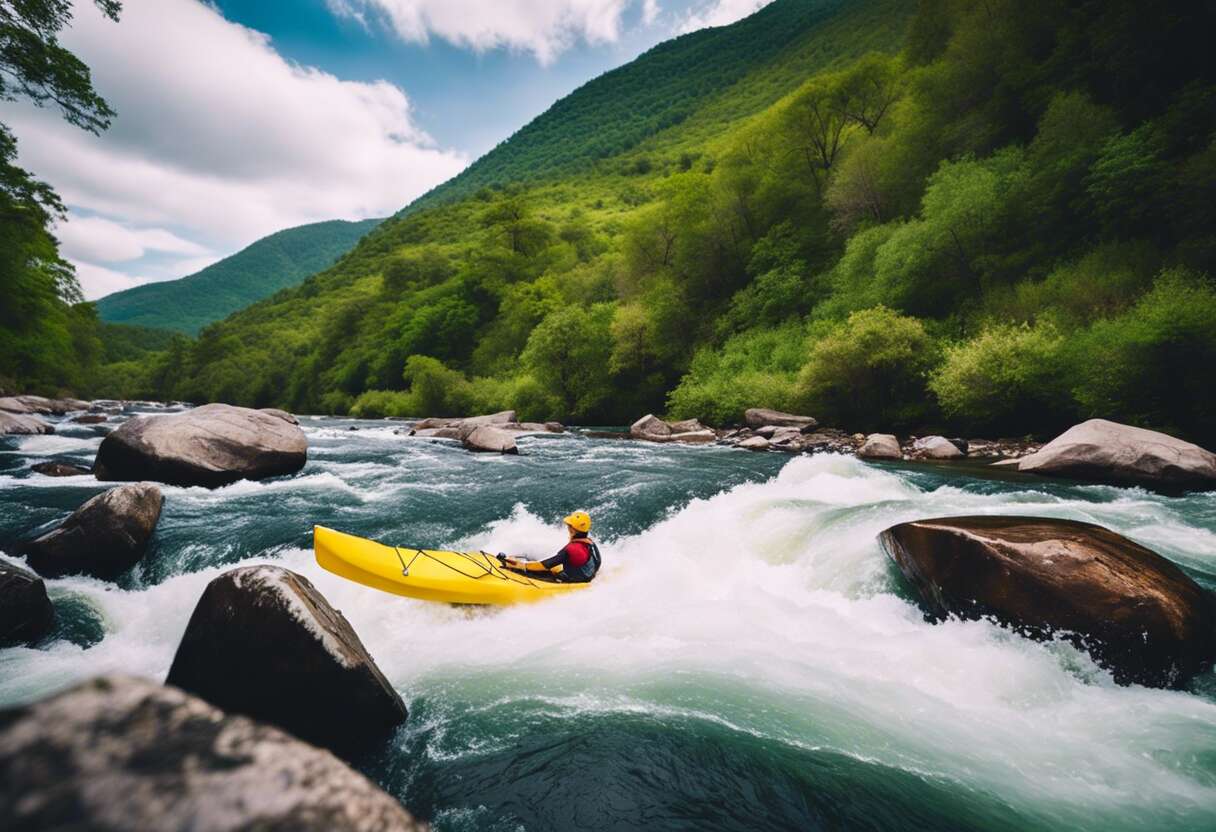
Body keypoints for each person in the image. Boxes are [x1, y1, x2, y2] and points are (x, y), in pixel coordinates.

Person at [497, 511, 601, 583]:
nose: (567, 527)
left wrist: (522, 566)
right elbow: (598, 561)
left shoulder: (571, 550)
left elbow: (545, 565)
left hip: (575, 580)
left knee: (535, 570)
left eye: (569, 525)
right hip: (588, 575)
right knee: (553, 567)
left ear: (572, 529)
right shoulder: (590, 543)